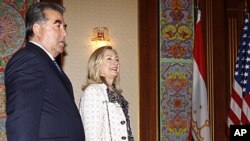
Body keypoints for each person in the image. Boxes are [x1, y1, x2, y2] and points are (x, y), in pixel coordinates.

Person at [4, 2, 85, 141]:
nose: (64, 33)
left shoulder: (48, 64)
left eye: (64, 27)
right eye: (57, 25)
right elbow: (21, 124)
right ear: (37, 29)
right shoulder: (28, 60)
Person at [79, 46, 134, 141]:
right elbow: (92, 136)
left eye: (117, 59)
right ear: (97, 64)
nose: (115, 63)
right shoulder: (93, 91)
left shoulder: (117, 94)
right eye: (109, 58)